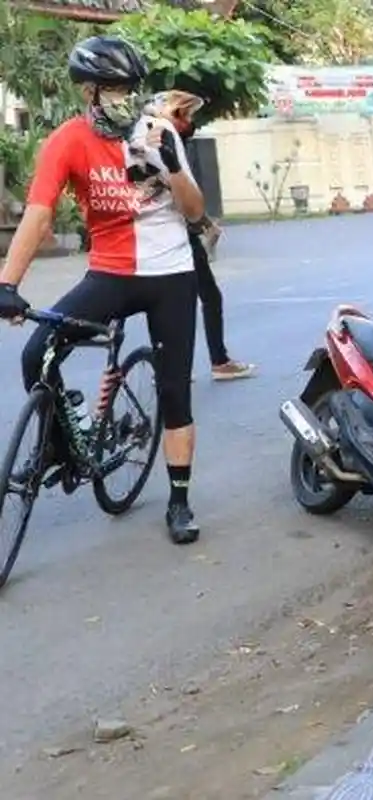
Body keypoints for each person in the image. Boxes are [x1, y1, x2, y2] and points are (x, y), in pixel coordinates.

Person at [0, 35, 205, 544]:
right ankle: (62, 446)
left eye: (128, 89)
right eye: (110, 89)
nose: (121, 98)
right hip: (111, 272)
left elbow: (196, 212)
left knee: (175, 392)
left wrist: (172, 166)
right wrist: (8, 282)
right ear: (87, 93)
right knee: (35, 355)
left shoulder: (159, 134)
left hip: (172, 274)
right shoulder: (67, 140)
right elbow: (41, 213)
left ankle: (179, 501)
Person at [148, 90, 255, 381]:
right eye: (187, 115)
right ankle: (214, 362)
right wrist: (203, 223)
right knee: (199, 298)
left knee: (177, 301)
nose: (191, 122)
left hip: (174, 233)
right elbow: (173, 193)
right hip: (170, 235)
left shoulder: (166, 141)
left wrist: (205, 224)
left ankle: (172, 368)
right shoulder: (160, 142)